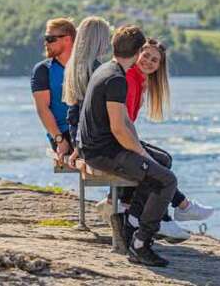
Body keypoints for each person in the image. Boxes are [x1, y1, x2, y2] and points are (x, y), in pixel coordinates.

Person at [77, 25, 177, 267]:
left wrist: (144, 153)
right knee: (166, 180)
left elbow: (125, 123)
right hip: (102, 153)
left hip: (99, 146)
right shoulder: (116, 79)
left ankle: (130, 222)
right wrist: (141, 154)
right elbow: (119, 129)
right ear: (137, 51)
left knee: (161, 163)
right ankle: (141, 244)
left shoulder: (107, 69)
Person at [124, 38, 214, 224]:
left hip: (122, 137)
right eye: (146, 55)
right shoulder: (130, 79)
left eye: (154, 60)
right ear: (137, 54)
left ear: (158, 67)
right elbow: (122, 123)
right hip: (118, 140)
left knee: (164, 159)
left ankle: (136, 206)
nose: (148, 61)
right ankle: (178, 208)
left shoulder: (139, 81)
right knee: (161, 164)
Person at [62, 16, 111, 166]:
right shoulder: (97, 70)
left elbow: (73, 112)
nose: (109, 43)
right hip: (93, 143)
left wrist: (76, 142)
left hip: (81, 139)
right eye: (106, 38)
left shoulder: (74, 66)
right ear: (98, 40)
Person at [31, 17, 76, 157]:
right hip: (62, 134)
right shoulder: (43, 70)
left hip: (85, 132)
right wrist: (59, 140)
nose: (46, 43)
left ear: (67, 40)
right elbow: (42, 108)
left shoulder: (84, 67)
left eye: (50, 39)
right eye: (45, 38)